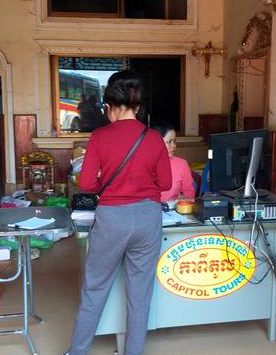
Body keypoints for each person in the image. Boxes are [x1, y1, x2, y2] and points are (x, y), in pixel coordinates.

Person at [67, 70, 172, 355]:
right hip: (148, 219)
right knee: (140, 295)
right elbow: (165, 184)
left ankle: (78, 351)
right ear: (137, 107)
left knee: (95, 289)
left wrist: (108, 184)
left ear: (110, 106)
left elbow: (87, 184)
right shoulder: (153, 139)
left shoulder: (100, 136)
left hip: (112, 219)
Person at [153, 124, 196, 202]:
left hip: (173, 211)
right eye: (169, 142)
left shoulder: (181, 164)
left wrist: (184, 199)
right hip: (150, 211)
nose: (174, 146)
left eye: (174, 141)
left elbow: (189, 191)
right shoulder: (146, 164)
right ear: (156, 142)